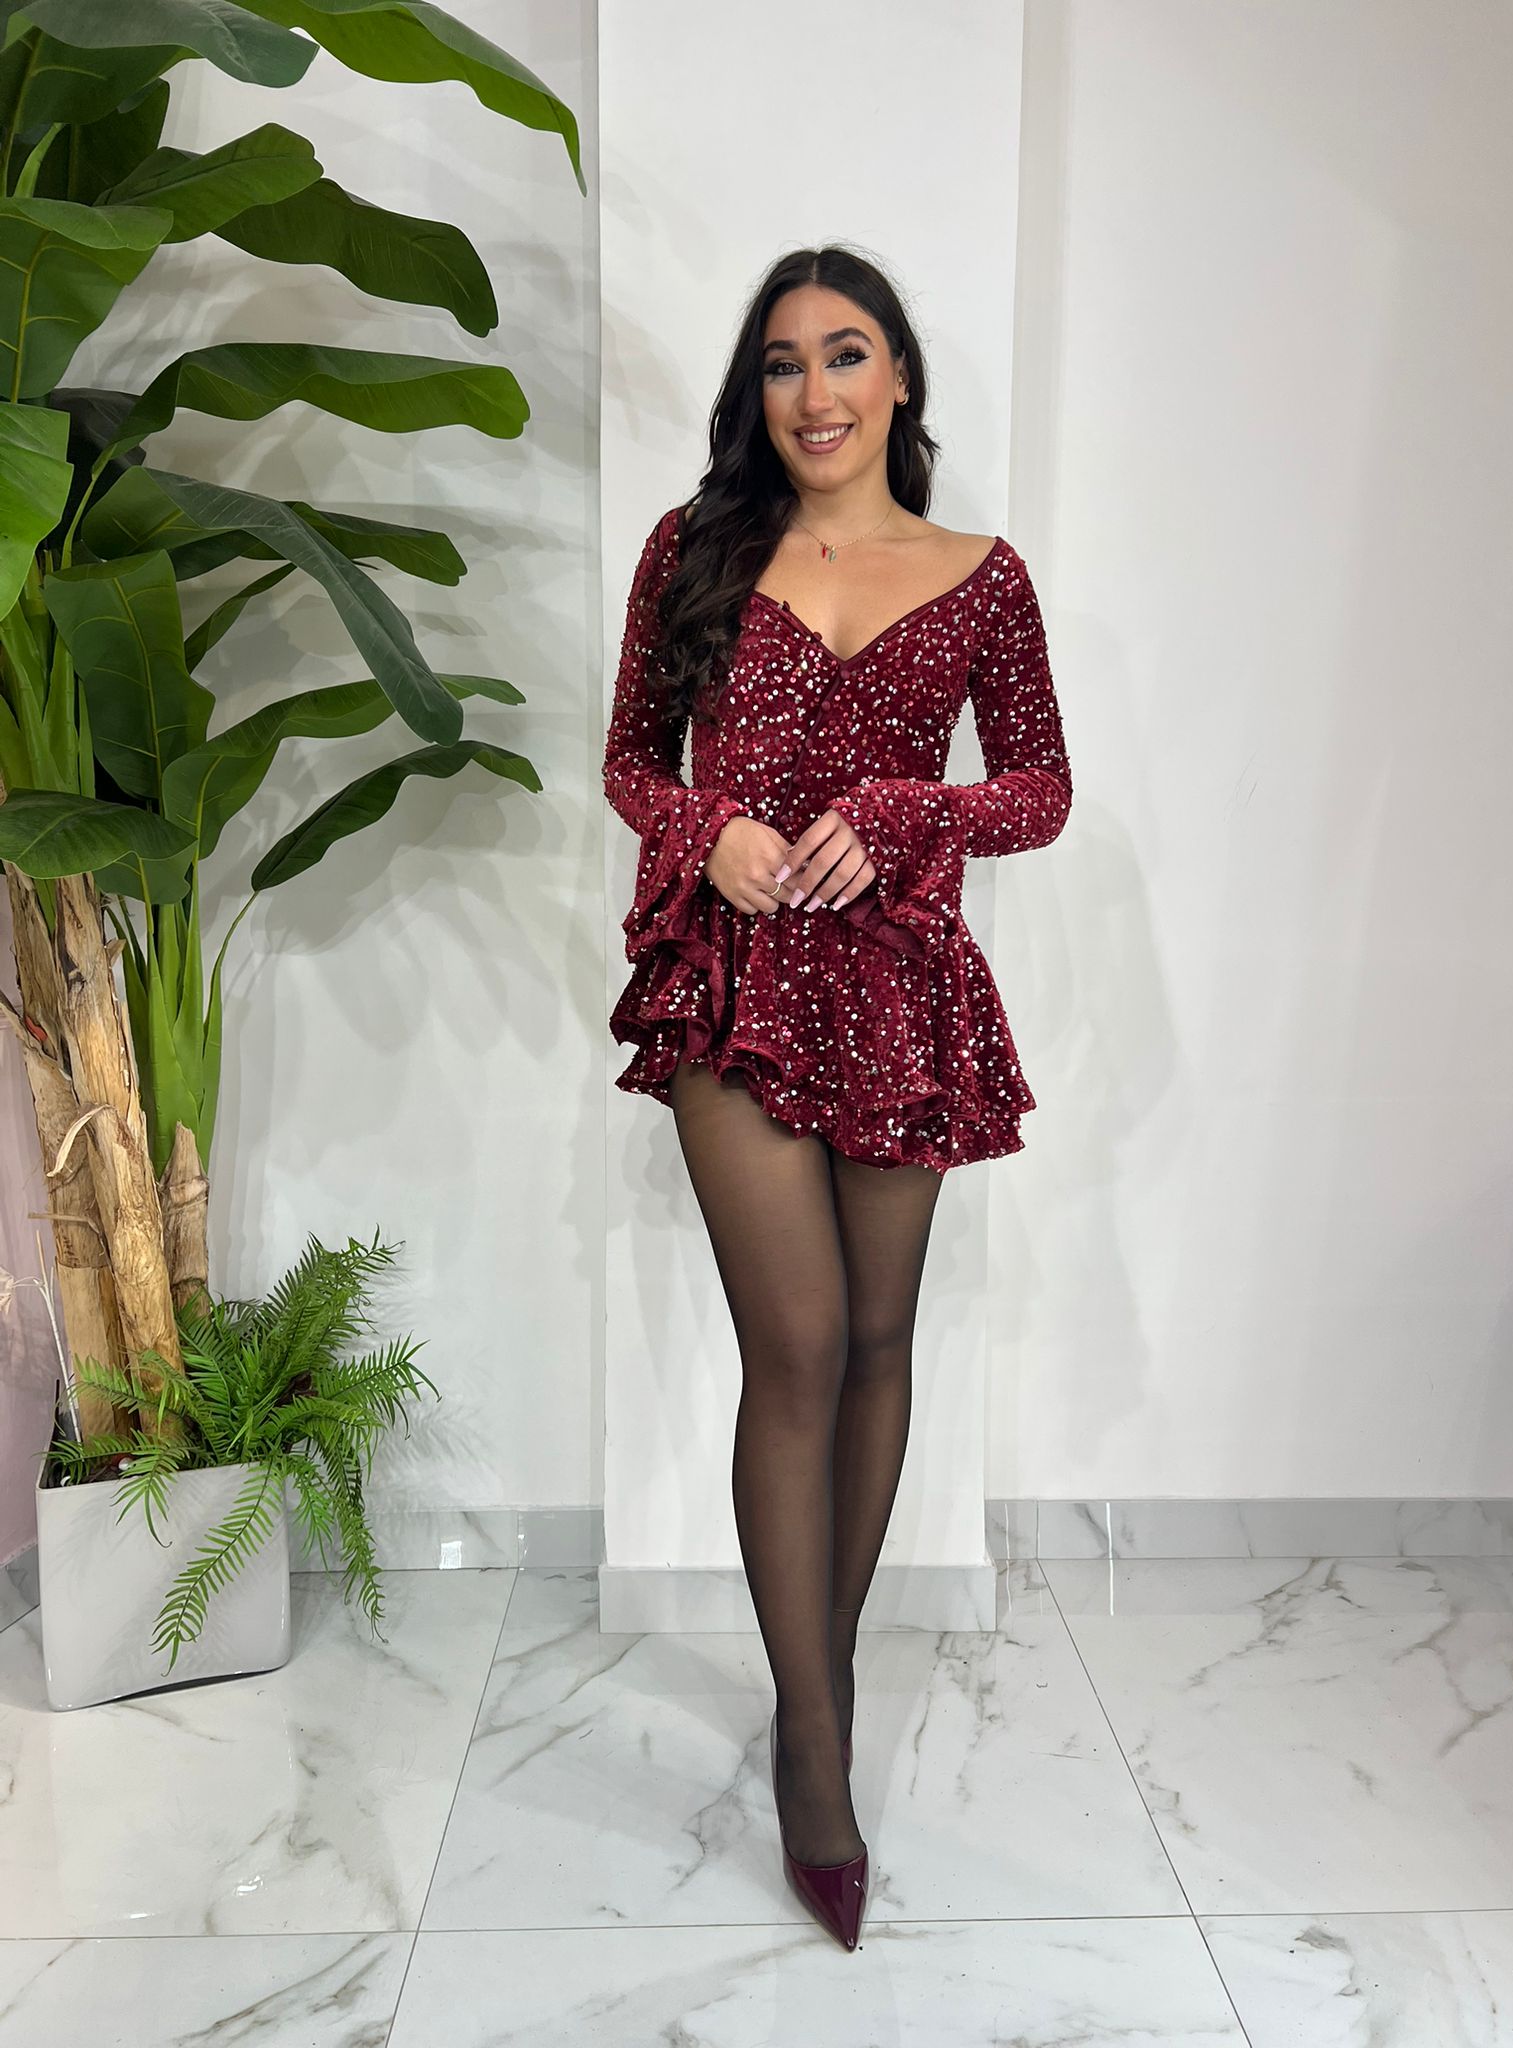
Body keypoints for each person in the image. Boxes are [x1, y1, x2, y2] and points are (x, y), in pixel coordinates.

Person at [601, 246, 1072, 1951]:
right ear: (760, 391)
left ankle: (827, 1655)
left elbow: (1040, 787)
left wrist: (909, 813)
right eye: (785, 362)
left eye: (846, 353)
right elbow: (628, 761)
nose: (815, 392)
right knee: (796, 1345)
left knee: (880, 1341)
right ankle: (814, 1743)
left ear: (899, 378)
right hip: (729, 985)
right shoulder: (696, 549)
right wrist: (703, 830)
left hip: (898, 990)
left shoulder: (982, 578)